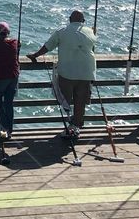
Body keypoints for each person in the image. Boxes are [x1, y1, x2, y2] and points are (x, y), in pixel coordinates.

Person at [27, 10, 96, 139]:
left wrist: (35, 55)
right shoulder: (90, 31)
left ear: (70, 19)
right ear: (83, 21)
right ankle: (75, 128)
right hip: (87, 72)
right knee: (80, 102)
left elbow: (48, 46)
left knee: (65, 100)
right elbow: (91, 43)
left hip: (67, 72)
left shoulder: (61, 32)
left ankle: (70, 126)